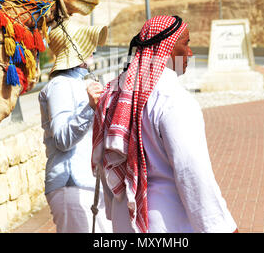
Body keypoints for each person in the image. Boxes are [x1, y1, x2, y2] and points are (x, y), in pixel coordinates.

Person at [91, 15, 238, 233]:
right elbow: (192, 173)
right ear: (166, 48)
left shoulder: (115, 95)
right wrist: (221, 229)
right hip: (165, 223)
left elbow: (109, 164)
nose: (190, 53)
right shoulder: (173, 100)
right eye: (186, 43)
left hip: (125, 219)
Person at [38, 18, 112, 233]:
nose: (94, 49)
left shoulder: (79, 84)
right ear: (76, 50)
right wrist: (90, 107)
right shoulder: (60, 85)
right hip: (71, 184)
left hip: (86, 183)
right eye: (88, 43)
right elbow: (62, 139)